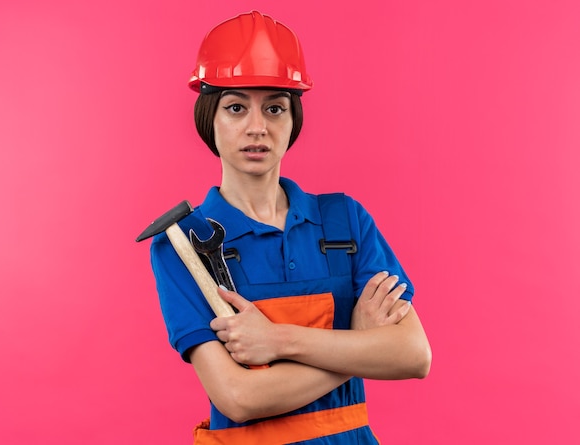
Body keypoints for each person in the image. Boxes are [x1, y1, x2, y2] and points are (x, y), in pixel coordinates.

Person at [147, 10, 431, 444]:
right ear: (210, 119)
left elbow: (413, 355)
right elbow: (238, 397)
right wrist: (359, 345)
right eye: (236, 107)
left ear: (293, 119)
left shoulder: (346, 220)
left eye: (275, 108)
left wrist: (276, 339)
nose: (257, 127)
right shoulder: (182, 245)